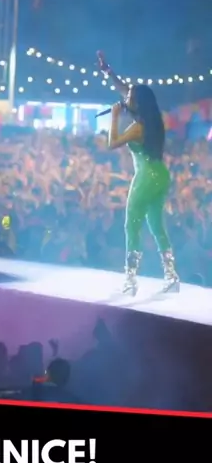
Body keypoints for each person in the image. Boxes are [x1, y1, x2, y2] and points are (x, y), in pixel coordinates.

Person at [97, 51, 180, 295]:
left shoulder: (137, 127)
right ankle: (171, 276)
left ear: (137, 102)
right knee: (156, 224)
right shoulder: (152, 120)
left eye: (130, 97)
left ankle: (130, 280)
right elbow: (126, 90)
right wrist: (109, 73)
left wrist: (114, 116)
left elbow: (112, 143)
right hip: (161, 175)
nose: (126, 97)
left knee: (131, 224)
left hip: (145, 176)